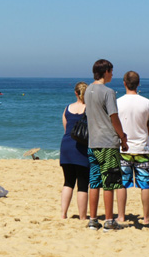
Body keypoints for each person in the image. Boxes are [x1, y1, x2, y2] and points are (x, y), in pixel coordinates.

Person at [84, 59, 128, 232]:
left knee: (94, 181)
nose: (112, 74)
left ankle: (93, 220)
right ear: (105, 72)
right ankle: (109, 220)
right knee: (109, 181)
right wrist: (122, 137)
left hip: (92, 141)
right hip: (107, 142)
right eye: (111, 71)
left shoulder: (88, 90)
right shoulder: (108, 92)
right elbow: (114, 117)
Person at [116, 71, 149, 224]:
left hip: (123, 148)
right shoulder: (147, 102)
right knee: (145, 184)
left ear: (124, 83)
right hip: (142, 148)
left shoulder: (118, 102)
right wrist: (146, 124)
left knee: (122, 183)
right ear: (139, 84)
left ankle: (121, 216)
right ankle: (146, 217)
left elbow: (114, 124)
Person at [59, 82, 89, 220]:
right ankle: (82, 216)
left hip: (66, 146)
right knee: (82, 184)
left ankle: (63, 213)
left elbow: (66, 129)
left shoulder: (67, 108)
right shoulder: (90, 109)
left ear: (75, 93)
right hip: (82, 147)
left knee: (68, 182)